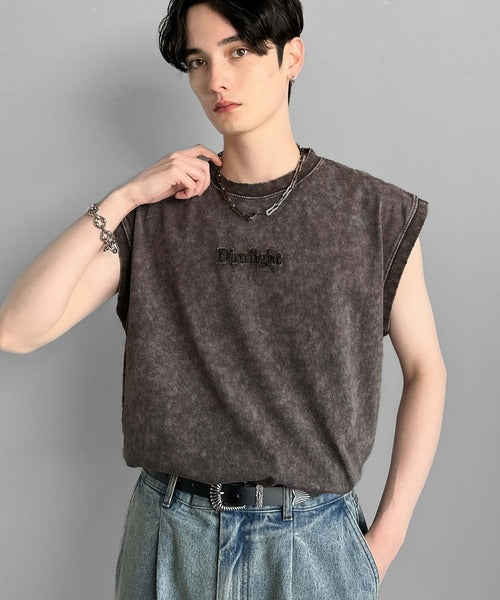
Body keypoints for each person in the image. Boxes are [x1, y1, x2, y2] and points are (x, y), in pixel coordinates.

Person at [0, 1, 447, 598]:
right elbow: (17, 329)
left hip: (312, 543)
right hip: (168, 535)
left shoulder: (375, 214)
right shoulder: (155, 215)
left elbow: (426, 369)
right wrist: (124, 196)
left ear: (292, 56)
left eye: (239, 52)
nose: (217, 80)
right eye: (198, 61)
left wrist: (385, 540)